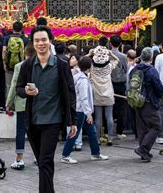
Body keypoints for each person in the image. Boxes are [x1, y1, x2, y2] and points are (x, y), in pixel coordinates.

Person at [16, 25, 77, 193]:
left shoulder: (62, 64)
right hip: (33, 121)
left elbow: (70, 94)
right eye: (37, 40)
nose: (40, 43)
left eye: (44, 40)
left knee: (45, 161)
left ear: (50, 41)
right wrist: (26, 91)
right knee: (44, 163)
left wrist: (72, 122)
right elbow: (18, 89)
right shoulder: (27, 65)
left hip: (53, 121)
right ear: (32, 43)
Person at [61, 56, 109, 164]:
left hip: (80, 109)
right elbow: (84, 98)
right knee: (75, 132)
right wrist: (89, 113)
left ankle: (95, 153)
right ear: (89, 67)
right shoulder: (82, 79)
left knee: (91, 132)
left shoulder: (78, 76)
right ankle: (65, 155)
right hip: (81, 110)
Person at [6, 43, 36, 170]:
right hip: (36, 103)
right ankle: (38, 157)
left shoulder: (19, 66)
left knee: (20, 130)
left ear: (25, 52)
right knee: (36, 131)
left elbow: (14, 86)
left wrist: (9, 103)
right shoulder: (39, 66)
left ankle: (19, 159)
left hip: (22, 102)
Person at [131, 47, 163, 162]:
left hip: (136, 100)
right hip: (149, 101)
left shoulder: (135, 69)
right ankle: (143, 148)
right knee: (156, 126)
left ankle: (144, 151)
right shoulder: (151, 70)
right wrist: (161, 95)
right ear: (151, 57)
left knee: (142, 127)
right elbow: (158, 86)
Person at [88, 37, 119, 144]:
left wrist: (90, 53)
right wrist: (110, 53)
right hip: (108, 93)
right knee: (109, 117)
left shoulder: (92, 68)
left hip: (97, 94)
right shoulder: (108, 67)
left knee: (97, 118)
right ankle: (110, 137)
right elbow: (117, 60)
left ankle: (96, 139)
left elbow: (83, 60)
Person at [3, 21, 28, 110]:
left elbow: (4, 50)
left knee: (9, 85)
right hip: (21, 65)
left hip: (9, 64)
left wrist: (4, 63)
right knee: (20, 84)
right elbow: (26, 52)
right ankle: (18, 103)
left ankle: (9, 105)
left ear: (12, 28)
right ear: (22, 29)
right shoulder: (25, 39)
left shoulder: (7, 38)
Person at [110, 35, 129, 138]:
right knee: (120, 108)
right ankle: (119, 131)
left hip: (109, 83)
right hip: (120, 84)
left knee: (110, 107)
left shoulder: (107, 55)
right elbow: (126, 69)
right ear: (120, 44)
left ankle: (108, 130)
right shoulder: (123, 56)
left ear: (110, 43)